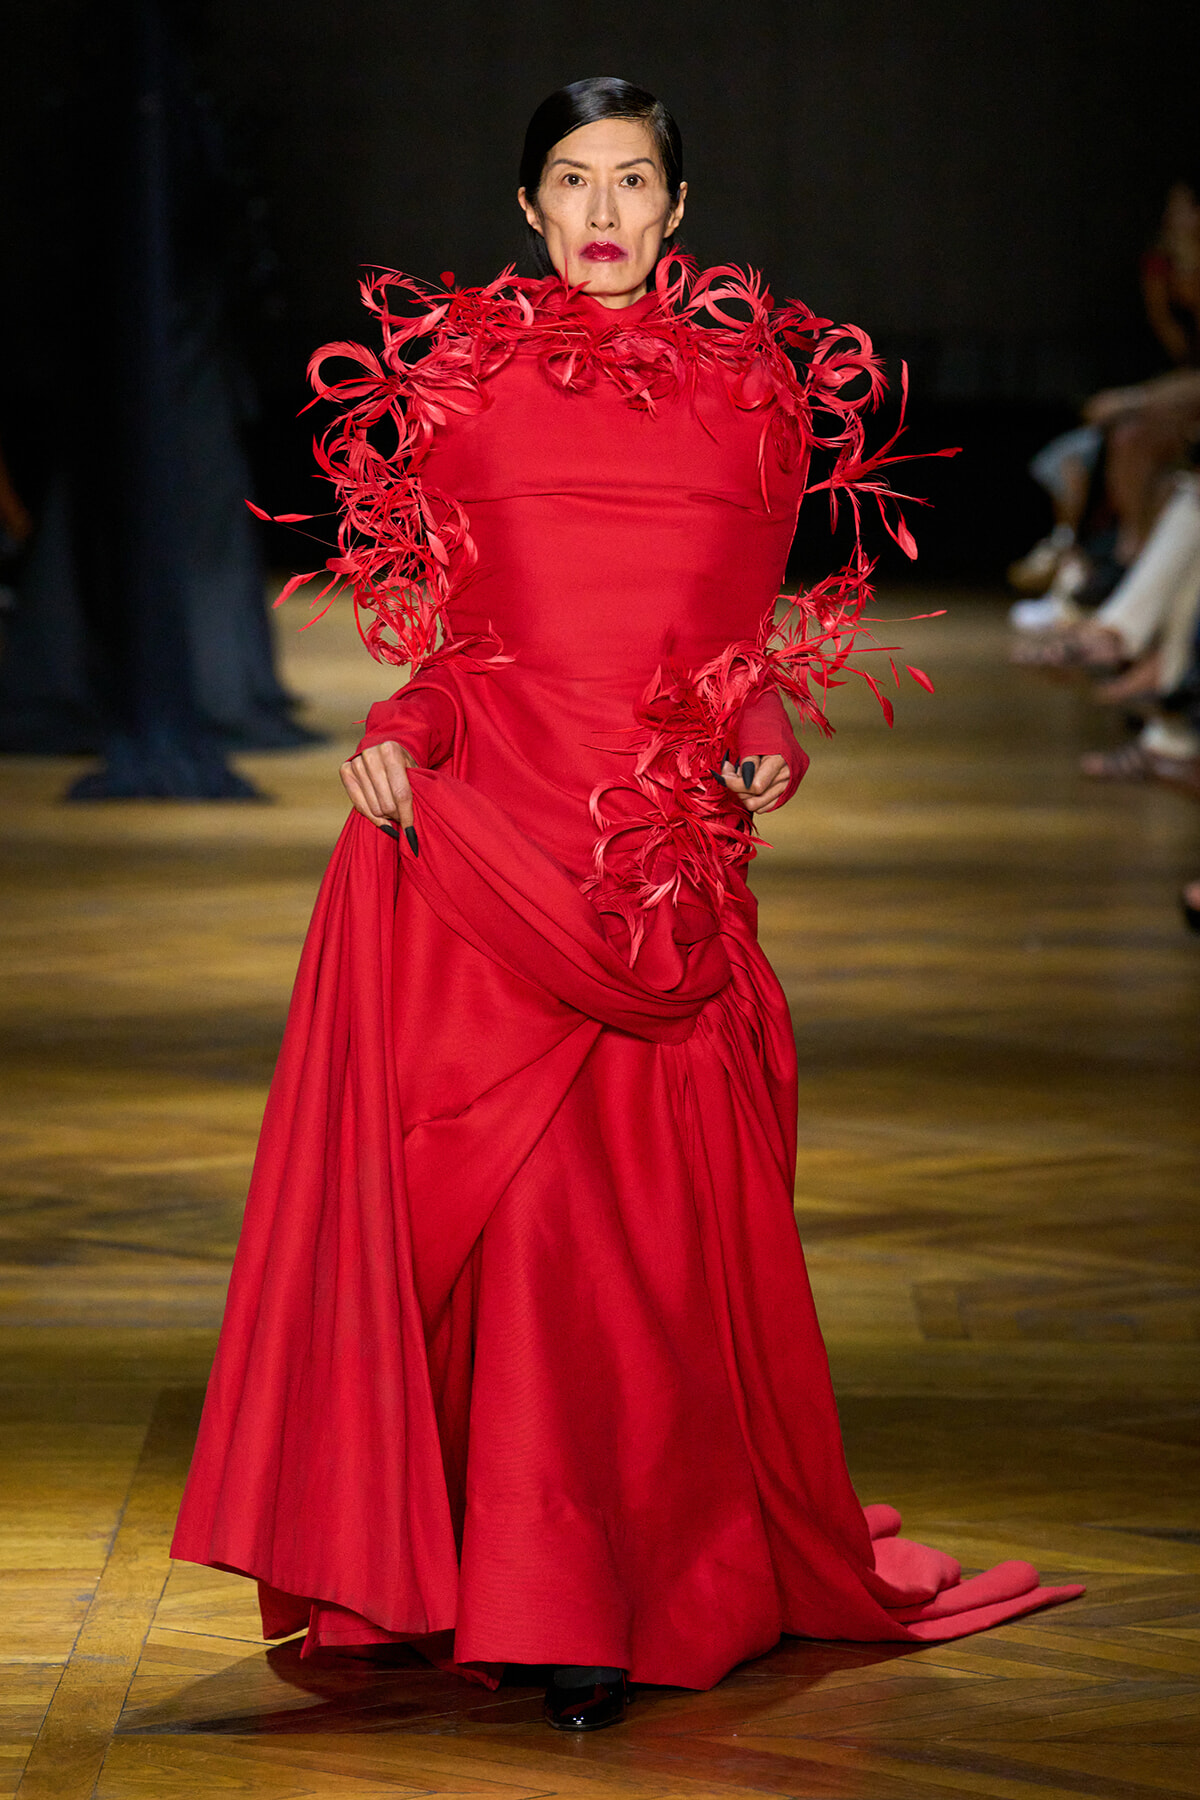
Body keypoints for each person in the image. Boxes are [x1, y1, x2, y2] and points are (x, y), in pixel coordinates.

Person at [171, 77, 1083, 1733]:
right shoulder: (456, 382)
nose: (603, 212)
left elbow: (736, 643)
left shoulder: (756, 396)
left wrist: (758, 732)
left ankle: (624, 1583)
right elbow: (457, 645)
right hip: (484, 845)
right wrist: (393, 734)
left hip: (655, 866)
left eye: (635, 181)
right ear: (528, 208)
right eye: (573, 182)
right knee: (527, 1243)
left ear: (680, 209)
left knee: (641, 1259)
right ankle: (536, 1597)